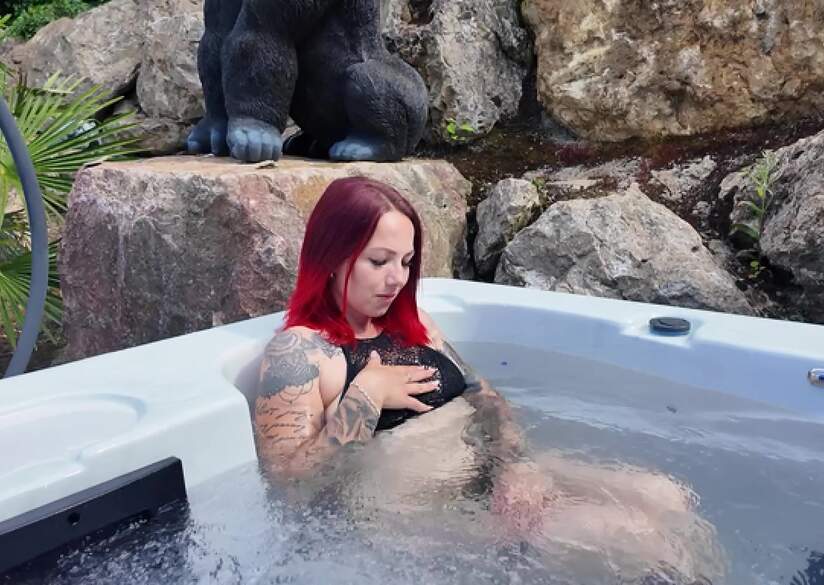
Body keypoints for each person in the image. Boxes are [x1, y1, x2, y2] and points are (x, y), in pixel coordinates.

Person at [254, 176, 725, 584]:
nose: (397, 279)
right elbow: (291, 487)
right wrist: (367, 394)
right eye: (379, 261)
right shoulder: (300, 353)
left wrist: (517, 465)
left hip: (489, 478)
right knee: (635, 537)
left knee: (665, 496)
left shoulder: (414, 323)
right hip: (420, 519)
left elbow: (484, 395)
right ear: (333, 257)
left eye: (406, 261)